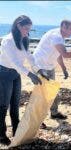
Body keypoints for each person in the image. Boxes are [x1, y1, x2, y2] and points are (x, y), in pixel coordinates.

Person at [0, 15, 42, 145]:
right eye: (25, 28)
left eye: (29, 29)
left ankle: (17, 132)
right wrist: (30, 74)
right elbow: (13, 62)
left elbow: (29, 56)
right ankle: (1, 135)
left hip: (16, 74)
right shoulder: (7, 41)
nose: (27, 31)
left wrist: (38, 70)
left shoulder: (24, 38)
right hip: (4, 73)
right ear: (18, 26)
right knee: (3, 105)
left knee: (15, 104)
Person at [33, 20, 71, 120]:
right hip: (40, 67)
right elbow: (65, 54)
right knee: (42, 95)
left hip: (49, 66)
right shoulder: (57, 36)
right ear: (63, 27)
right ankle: (37, 119)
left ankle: (54, 113)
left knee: (53, 91)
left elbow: (59, 55)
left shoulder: (60, 36)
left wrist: (64, 69)